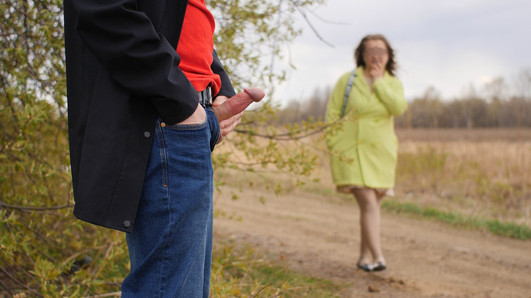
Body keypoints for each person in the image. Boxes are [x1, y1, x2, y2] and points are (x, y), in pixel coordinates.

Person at [63, 0, 264, 296]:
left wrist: (218, 86)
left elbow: (181, 19)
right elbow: (105, 10)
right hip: (165, 120)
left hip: (185, 120)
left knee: (182, 289)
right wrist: (182, 104)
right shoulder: (176, 110)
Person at [325, 34, 407, 272]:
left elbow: (398, 108)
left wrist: (379, 82)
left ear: (388, 55)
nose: (375, 55)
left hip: (381, 153)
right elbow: (331, 113)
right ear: (361, 54)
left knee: (371, 208)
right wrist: (334, 143)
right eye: (370, 50)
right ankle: (379, 256)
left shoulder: (392, 83)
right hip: (350, 151)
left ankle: (363, 258)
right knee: (369, 204)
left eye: (380, 51)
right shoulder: (347, 80)